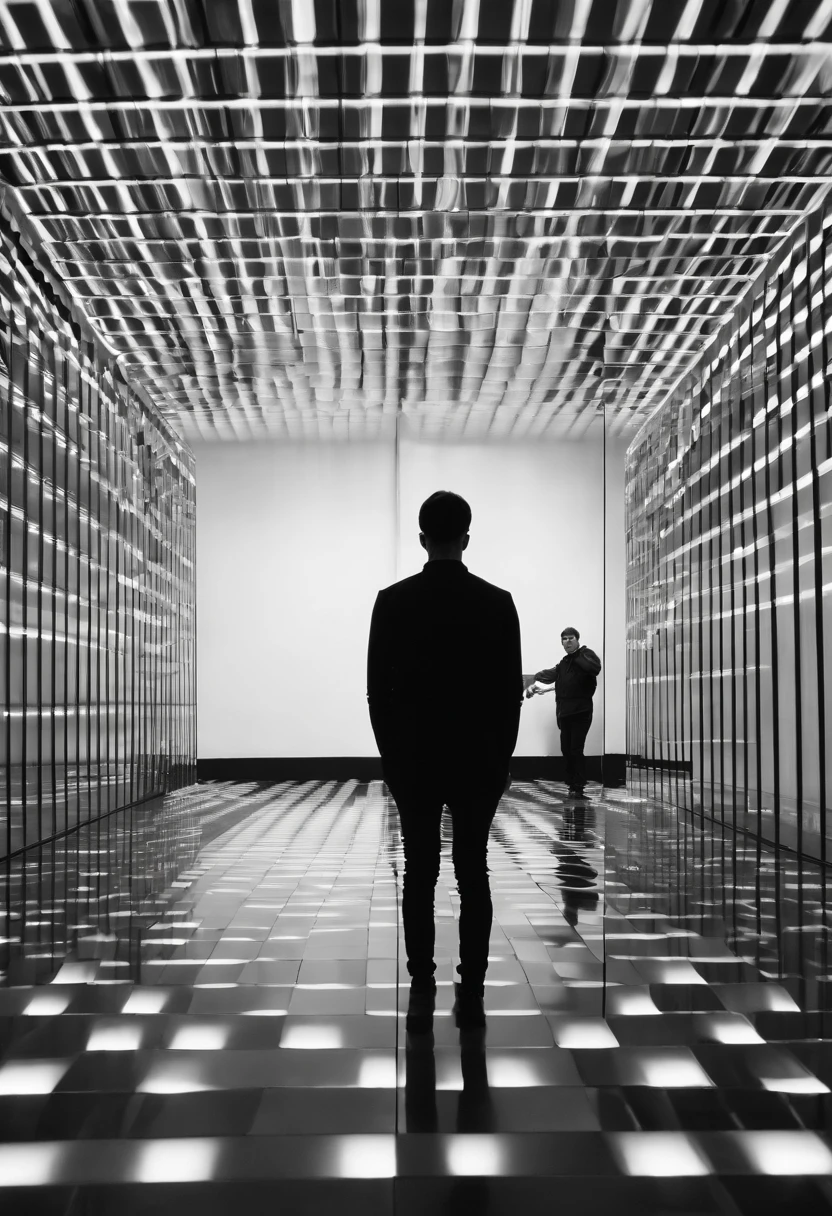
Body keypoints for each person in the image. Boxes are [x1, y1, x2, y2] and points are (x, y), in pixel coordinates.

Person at [367, 491, 523, 1032]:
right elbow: (509, 695)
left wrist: (392, 758)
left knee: (420, 870)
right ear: (466, 537)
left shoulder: (392, 601)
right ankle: (473, 975)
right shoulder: (498, 602)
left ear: (421, 538)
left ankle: (421, 974)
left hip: (414, 759)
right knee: (472, 867)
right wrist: (501, 758)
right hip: (477, 758)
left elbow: (376, 694)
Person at [525, 627, 601, 800]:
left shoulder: (586, 654)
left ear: (577, 639)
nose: (567, 642)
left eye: (570, 638)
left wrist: (577, 655)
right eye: (564, 639)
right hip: (565, 713)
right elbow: (552, 674)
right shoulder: (564, 662)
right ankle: (572, 784)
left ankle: (579, 787)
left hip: (581, 713)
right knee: (566, 749)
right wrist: (533, 680)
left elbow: (594, 668)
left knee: (575, 749)